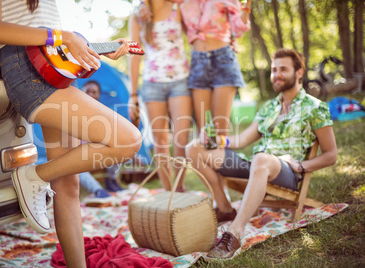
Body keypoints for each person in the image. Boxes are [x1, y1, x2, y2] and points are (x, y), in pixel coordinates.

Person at [0, 1, 142, 267]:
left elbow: (45, 29)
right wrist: (62, 36)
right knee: (129, 140)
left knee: (68, 185)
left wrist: (90, 48)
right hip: (25, 68)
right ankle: (33, 176)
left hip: (53, 64)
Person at [186, 48, 337, 259]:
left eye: (283, 69)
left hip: (286, 172)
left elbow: (331, 154)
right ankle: (225, 207)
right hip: (256, 165)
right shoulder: (269, 107)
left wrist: (302, 166)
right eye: (274, 70)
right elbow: (243, 139)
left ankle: (235, 233)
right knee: (193, 148)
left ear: (299, 73)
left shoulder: (315, 107)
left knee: (261, 159)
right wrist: (218, 141)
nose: (277, 74)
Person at [137, 0, 251, 136]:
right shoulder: (182, 2)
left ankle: (222, 157)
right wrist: (143, 3)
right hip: (198, 62)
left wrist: (248, 5)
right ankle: (203, 156)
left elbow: (238, 31)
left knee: (220, 129)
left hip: (223, 60)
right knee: (203, 131)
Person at [128, 0, 192, 191]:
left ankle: (179, 188)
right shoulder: (138, 15)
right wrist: (133, 94)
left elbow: (198, 34)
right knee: (161, 141)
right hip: (152, 84)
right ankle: (167, 191)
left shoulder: (178, 7)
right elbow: (134, 54)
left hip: (180, 80)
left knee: (181, 138)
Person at [80, 80, 124, 194]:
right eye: (88, 91)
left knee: (117, 147)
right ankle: (98, 190)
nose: (90, 94)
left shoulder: (102, 113)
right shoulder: (74, 111)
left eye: (94, 92)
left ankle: (112, 181)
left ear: (98, 95)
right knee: (74, 166)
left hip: (97, 151)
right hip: (79, 152)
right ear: (81, 91)